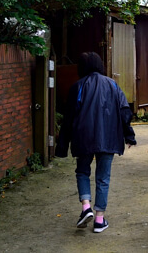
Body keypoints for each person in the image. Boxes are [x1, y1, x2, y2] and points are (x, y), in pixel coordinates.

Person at [55, 52, 136, 233]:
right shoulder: (113, 84)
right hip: (108, 138)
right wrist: (129, 135)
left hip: (83, 137)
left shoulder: (77, 86)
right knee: (103, 178)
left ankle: (86, 207)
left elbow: (68, 119)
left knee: (82, 171)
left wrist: (62, 146)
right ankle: (99, 220)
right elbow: (124, 111)